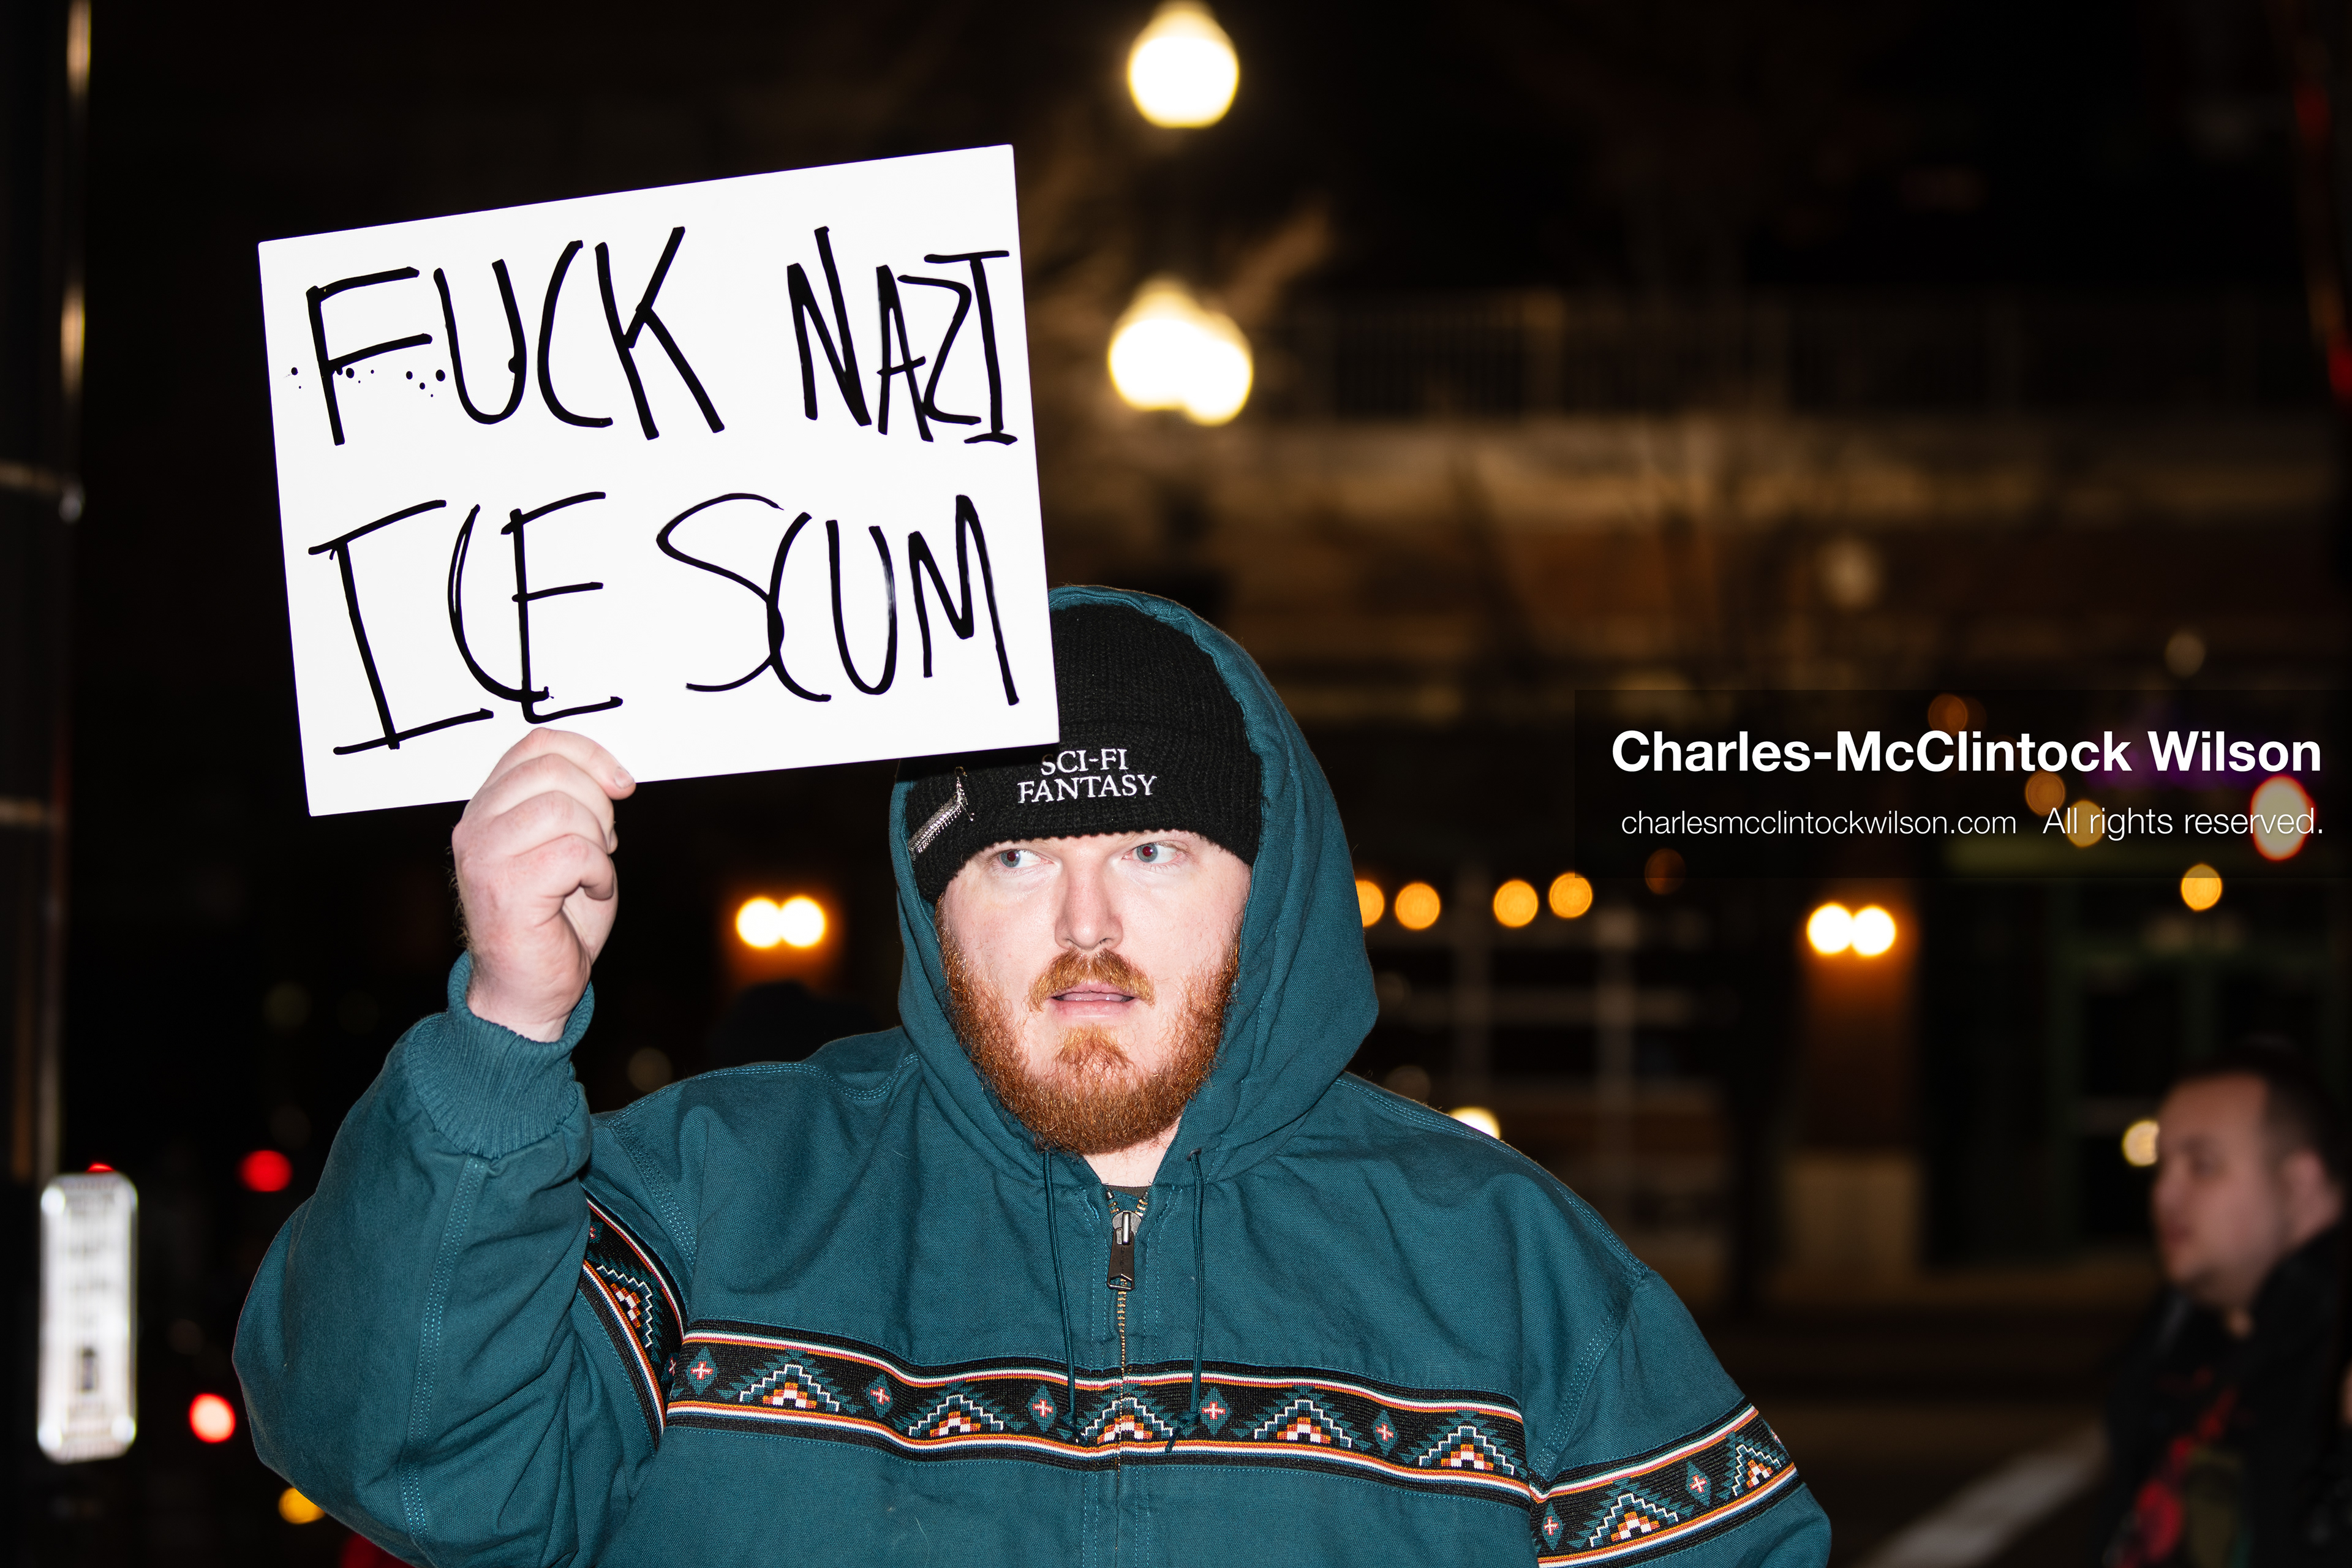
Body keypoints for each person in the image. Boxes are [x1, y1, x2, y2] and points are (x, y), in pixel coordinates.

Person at [235, 589, 1830, 1567]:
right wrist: (510, 1025)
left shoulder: (1505, 1269)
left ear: (1264, 886)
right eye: (1012, 856)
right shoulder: (714, 1201)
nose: (1086, 925)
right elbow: (407, 1455)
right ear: (932, 907)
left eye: (1150, 847)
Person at [2102, 1042, 2351, 1567]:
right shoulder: (2178, 1335)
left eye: (2203, 1165)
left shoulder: (2330, 1364)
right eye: (2162, 1163)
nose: (2165, 1193)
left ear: (2299, 1183)